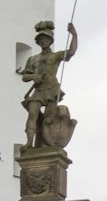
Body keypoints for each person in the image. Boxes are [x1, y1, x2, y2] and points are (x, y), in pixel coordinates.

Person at [20, 21, 78, 149]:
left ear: (50, 40)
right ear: (38, 42)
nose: (43, 41)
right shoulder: (33, 59)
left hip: (52, 89)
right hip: (38, 90)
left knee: (48, 118)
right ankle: (29, 142)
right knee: (32, 114)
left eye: (46, 39)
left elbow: (71, 52)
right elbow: (25, 77)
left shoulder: (55, 55)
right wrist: (34, 77)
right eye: (41, 39)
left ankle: (45, 142)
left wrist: (74, 35)